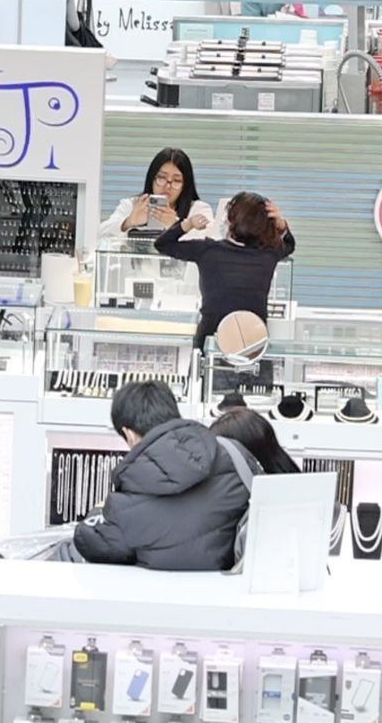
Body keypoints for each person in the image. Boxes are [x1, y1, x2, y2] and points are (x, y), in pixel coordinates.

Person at [72, 380, 251, 571]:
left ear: (129, 434)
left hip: (162, 597)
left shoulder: (128, 498)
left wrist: (98, 511)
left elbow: (92, 541)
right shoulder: (234, 453)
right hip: (232, 593)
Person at [155, 193, 297, 348]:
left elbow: (162, 244)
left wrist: (187, 224)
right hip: (254, 347)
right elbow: (289, 245)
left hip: (209, 343)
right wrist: (282, 224)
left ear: (230, 221)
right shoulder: (270, 254)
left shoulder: (207, 251)